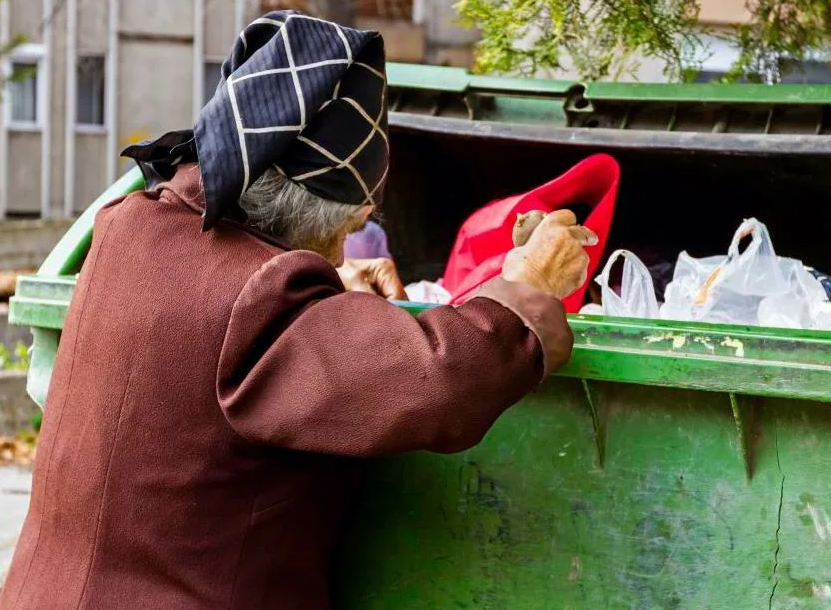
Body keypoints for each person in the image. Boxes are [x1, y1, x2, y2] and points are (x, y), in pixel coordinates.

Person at [0, 11, 595, 610]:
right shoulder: (261, 303)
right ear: (312, 212)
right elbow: (439, 381)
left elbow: (205, 313)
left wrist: (326, 290)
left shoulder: (129, 225)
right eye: (350, 226)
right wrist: (528, 282)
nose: (346, 244)